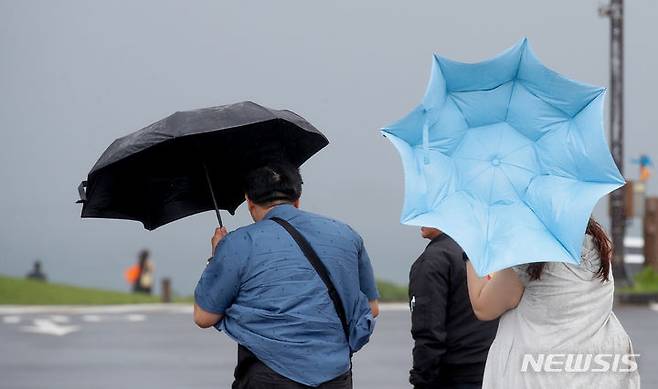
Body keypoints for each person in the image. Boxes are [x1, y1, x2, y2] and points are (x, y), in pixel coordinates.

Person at [193, 162, 380, 389]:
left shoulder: (237, 243)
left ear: (249, 201)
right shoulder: (346, 234)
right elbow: (371, 309)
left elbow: (204, 317)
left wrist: (217, 255)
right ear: (297, 200)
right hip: (336, 376)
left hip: (269, 374)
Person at [465, 218, 640, 388]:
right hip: (594, 373)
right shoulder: (597, 246)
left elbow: (483, 307)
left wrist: (472, 247)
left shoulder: (529, 255)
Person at [409, 227, 498, 389]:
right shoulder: (486, 252)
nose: (420, 221)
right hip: (493, 369)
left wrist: (422, 381)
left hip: (456, 375)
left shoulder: (433, 259)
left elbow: (429, 332)